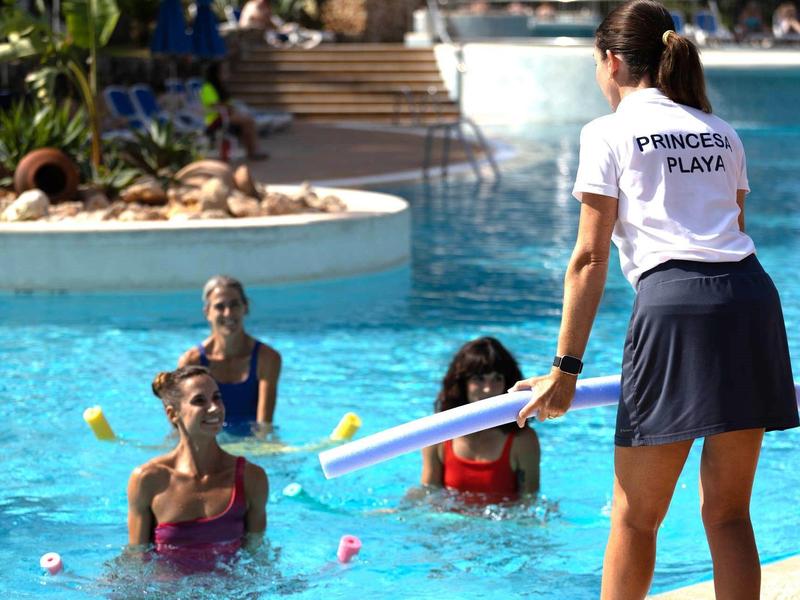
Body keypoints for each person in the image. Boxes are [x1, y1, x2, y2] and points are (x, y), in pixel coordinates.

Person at [510, 1, 799, 598]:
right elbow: (731, 230)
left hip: (675, 305)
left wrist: (564, 371)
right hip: (750, 297)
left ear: (612, 61)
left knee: (636, 516)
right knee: (729, 514)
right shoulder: (721, 132)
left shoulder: (607, 132)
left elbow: (588, 259)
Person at [127, 366, 268, 570]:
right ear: (173, 414)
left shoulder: (251, 478)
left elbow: (258, 558)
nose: (214, 408)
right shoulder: (148, 480)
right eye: (199, 401)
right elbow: (135, 561)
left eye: (217, 397)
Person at [421, 337, 540, 503]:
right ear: (462, 384)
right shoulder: (437, 436)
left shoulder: (522, 440)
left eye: (497, 378)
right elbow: (428, 494)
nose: (488, 389)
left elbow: (529, 502)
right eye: (479, 379)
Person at [179, 276, 281, 435]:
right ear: (207, 313)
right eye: (220, 306)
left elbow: (264, 427)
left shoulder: (267, 358)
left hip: (251, 441)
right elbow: (186, 423)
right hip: (209, 440)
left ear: (245, 307)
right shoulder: (192, 361)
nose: (228, 313)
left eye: (234, 305)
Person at [200, 61, 268, 161]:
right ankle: (253, 151)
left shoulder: (220, 88)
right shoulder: (207, 88)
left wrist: (232, 108)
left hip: (225, 116)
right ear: (216, 73)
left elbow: (229, 104)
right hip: (215, 119)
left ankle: (252, 151)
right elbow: (215, 104)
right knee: (248, 121)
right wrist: (230, 108)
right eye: (223, 71)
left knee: (248, 123)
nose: (226, 74)